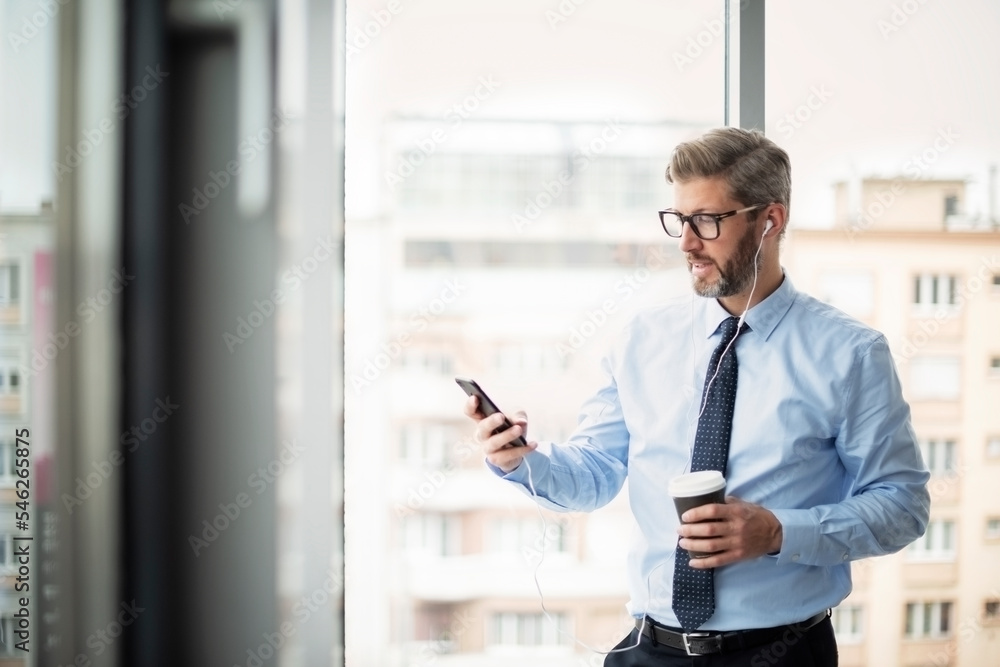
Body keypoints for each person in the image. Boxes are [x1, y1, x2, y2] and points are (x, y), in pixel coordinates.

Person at [463, 127, 930, 666]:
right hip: (650, 648)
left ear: (769, 221)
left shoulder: (851, 353)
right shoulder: (643, 339)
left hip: (782, 653)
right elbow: (593, 477)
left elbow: (903, 505)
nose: (686, 242)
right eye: (679, 221)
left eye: (707, 221)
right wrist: (523, 460)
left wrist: (778, 532)